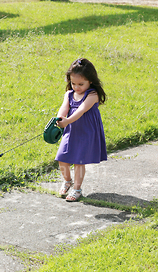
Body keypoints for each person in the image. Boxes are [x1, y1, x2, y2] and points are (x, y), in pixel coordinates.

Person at [55, 58, 107, 202]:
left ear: (90, 81)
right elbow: (64, 107)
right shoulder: (69, 94)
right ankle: (67, 181)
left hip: (86, 131)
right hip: (71, 130)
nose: (76, 87)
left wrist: (67, 121)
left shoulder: (92, 95)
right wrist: (60, 118)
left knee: (79, 161)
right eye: (73, 83)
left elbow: (81, 110)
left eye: (80, 84)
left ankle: (77, 189)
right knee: (62, 158)